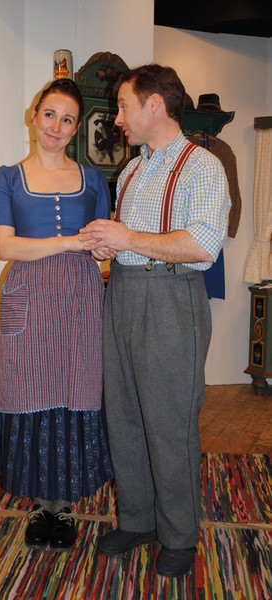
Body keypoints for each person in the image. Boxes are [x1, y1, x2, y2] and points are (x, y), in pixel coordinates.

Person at [79, 64, 230, 577]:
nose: (117, 118)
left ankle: (179, 536)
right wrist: (108, 246)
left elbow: (203, 245)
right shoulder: (131, 171)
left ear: (154, 105)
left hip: (172, 299)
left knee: (169, 424)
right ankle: (138, 519)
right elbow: (132, 242)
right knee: (123, 417)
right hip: (121, 294)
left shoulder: (202, 166)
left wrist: (127, 239)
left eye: (123, 106)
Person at [0, 78, 114, 551]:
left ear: (76, 128)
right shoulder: (6, 177)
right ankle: (41, 506)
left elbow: (101, 245)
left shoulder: (93, 180)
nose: (56, 127)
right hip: (29, 292)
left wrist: (100, 246)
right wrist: (70, 242)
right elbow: (5, 246)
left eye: (67, 120)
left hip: (80, 294)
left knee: (74, 390)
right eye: (49, 115)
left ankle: (64, 508)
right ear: (33, 115)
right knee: (31, 390)